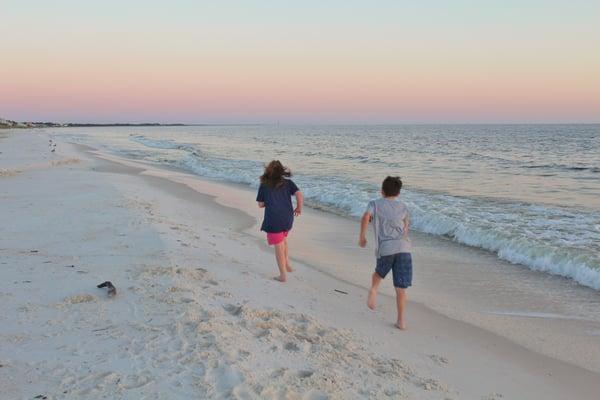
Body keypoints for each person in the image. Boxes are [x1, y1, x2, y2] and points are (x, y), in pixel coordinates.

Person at [359, 176, 412, 329]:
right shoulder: (404, 207)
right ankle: (401, 321)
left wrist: (362, 236)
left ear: (382, 191)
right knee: (401, 288)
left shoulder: (374, 204)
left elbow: (365, 217)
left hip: (387, 248)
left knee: (378, 274)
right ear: (399, 193)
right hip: (404, 248)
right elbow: (406, 228)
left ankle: (374, 290)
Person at [256, 160, 303, 282]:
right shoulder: (288, 183)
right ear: (282, 171)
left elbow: (261, 204)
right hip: (287, 218)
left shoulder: (264, 184)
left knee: (278, 246)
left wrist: (269, 201)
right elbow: (299, 194)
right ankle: (287, 263)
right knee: (283, 240)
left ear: (268, 171)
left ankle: (282, 275)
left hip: (273, 219)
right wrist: (299, 207)